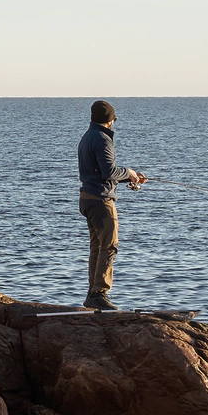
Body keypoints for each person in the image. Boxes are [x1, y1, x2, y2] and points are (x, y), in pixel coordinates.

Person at [77, 100, 146, 310]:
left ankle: (92, 293)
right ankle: (99, 294)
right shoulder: (102, 139)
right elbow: (108, 172)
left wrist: (129, 177)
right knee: (109, 246)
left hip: (87, 199)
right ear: (110, 121)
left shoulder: (87, 137)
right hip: (100, 201)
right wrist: (129, 173)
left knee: (96, 247)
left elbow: (101, 171)